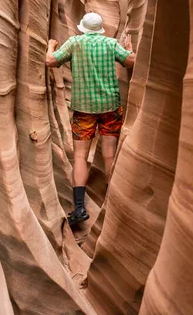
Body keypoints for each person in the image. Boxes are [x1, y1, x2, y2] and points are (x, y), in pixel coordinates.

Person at [45, 12, 135, 226]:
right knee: (110, 156)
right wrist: (129, 48)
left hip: (84, 109)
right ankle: (113, 204)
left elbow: (50, 61)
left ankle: (79, 209)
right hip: (109, 107)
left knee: (80, 157)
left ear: (83, 28)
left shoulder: (75, 43)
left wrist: (50, 45)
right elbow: (131, 61)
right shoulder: (110, 43)